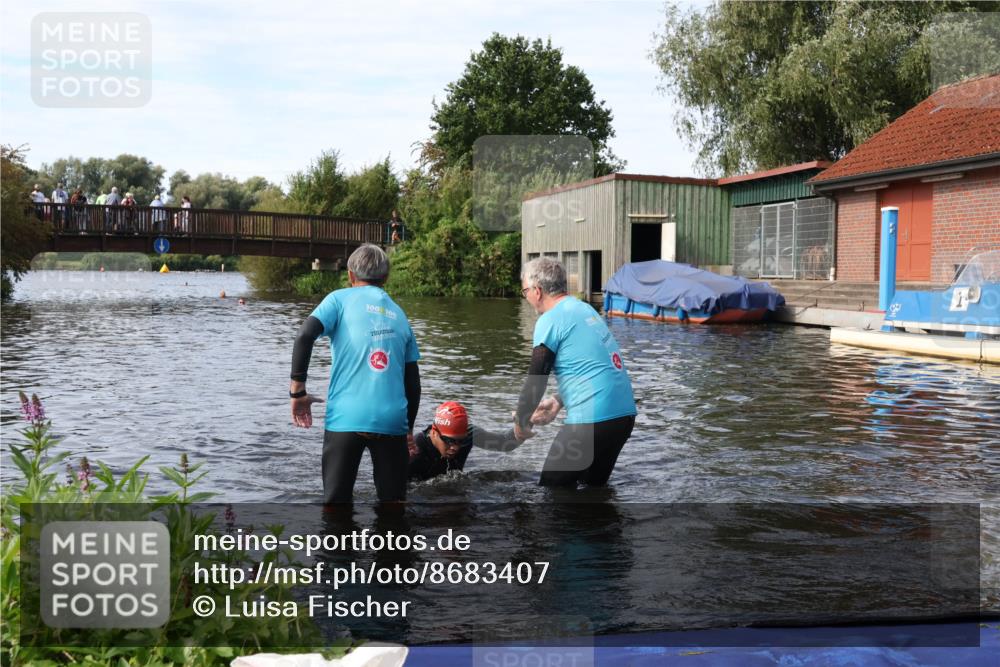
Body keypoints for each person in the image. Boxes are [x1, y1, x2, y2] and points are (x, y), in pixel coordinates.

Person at [289, 244, 421, 505]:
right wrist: (409, 429)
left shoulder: (338, 299)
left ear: (350, 275)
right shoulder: (400, 314)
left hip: (346, 417)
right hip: (393, 419)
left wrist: (298, 392)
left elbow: (304, 335)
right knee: (393, 507)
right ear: (386, 277)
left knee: (335, 506)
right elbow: (412, 382)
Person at [514, 257, 637, 487]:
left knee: (551, 492)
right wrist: (559, 400)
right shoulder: (584, 309)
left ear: (537, 291)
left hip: (592, 420)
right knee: (592, 493)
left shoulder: (549, 319)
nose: (527, 298)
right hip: (623, 417)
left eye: (525, 291)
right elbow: (599, 364)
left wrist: (521, 422)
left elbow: (536, 379)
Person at [408, 401, 539, 481]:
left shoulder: (469, 433)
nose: (455, 447)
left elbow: (505, 443)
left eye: (460, 441)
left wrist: (528, 421)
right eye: (449, 441)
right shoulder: (415, 451)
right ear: (434, 433)